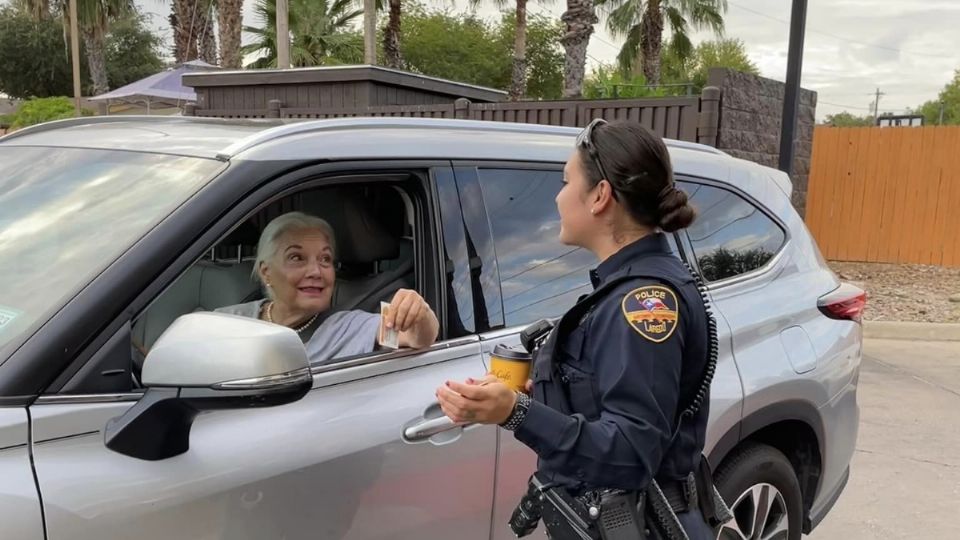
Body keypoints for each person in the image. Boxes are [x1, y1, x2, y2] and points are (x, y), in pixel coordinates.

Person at [435, 119, 722, 539]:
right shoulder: (626, 287)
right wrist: (550, 393)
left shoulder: (643, 303)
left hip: (641, 525)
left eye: (566, 181)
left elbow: (630, 452)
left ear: (600, 196)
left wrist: (515, 413)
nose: (557, 197)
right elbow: (612, 399)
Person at [218, 211, 439, 364]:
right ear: (266, 272)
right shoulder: (231, 321)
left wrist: (420, 313)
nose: (316, 271)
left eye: (325, 259)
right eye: (297, 257)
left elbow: (416, 337)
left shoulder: (347, 328)